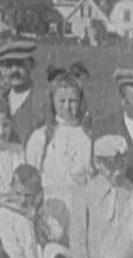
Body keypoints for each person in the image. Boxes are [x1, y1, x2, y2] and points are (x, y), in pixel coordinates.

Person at [25, 66, 93, 200]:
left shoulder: (87, 136)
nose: (67, 107)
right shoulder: (40, 136)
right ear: (52, 101)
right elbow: (31, 176)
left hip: (79, 204)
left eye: (72, 101)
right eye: (62, 101)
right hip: (48, 205)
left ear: (80, 102)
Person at [0, 40, 49, 143]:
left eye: (20, 64)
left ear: (31, 65)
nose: (14, 70)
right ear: (1, 70)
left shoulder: (45, 99)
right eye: (9, 65)